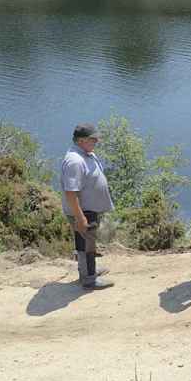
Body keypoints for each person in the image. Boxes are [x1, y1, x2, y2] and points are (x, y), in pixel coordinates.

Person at [61, 123, 114, 290]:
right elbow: (71, 192)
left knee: (87, 243)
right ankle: (89, 280)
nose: (97, 141)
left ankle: (88, 271)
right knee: (85, 246)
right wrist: (80, 217)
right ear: (81, 140)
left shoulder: (85, 153)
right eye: (93, 139)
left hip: (88, 210)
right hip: (83, 211)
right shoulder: (75, 161)